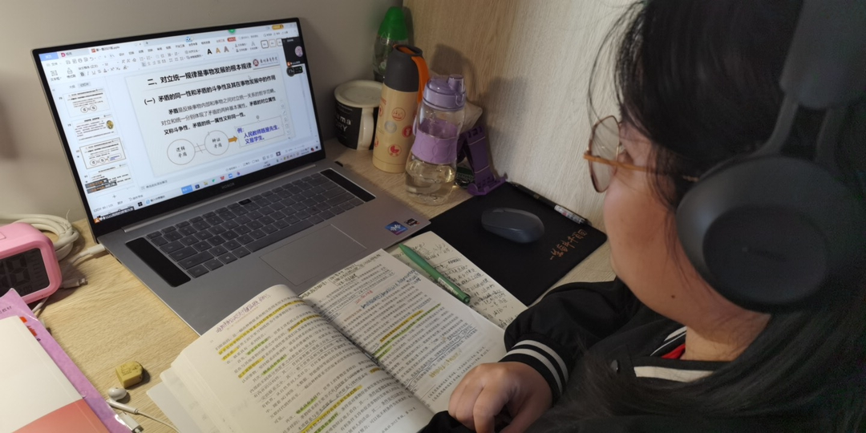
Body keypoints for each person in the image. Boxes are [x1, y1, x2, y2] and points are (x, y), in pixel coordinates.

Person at [423, 1, 866, 432]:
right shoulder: (726, 316)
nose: (607, 172)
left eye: (627, 154)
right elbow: (620, 305)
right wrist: (541, 360)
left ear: (742, 224)